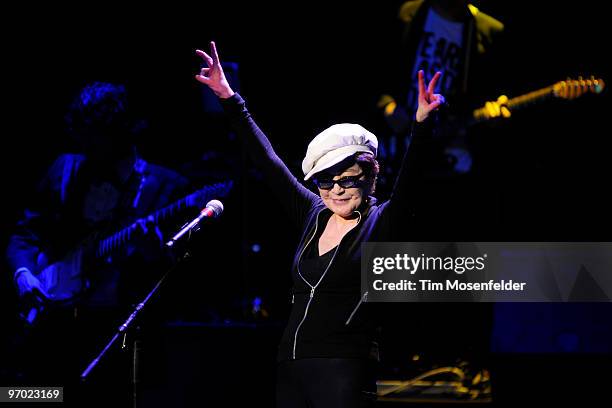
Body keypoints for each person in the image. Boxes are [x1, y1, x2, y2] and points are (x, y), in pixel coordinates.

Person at [195, 41, 444, 407]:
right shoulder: (314, 214)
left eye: (348, 178)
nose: (336, 190)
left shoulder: (382, 222)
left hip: (345, 373)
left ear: (371, 176)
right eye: (325, 181)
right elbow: (268, 161)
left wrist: (422, 124)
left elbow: (413, 178)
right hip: (291, 368)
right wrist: (229, 97)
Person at [5, 82, 189, 392]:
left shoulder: (166, 187)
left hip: (119, 337)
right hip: (52, 328)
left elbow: (182, 281)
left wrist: (154, 252)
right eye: (81, 133)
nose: (85, 144)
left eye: (94, 135)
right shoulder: (64, 169)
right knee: (26, 397)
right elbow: (24, 234)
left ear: (120, 131)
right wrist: (24, 275)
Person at [378, 0, 505, 179]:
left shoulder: (489, 30)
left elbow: (490, 93)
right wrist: (387, 105)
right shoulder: (409, 12)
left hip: (444, 147)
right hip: (395, 139)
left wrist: (492, 114)